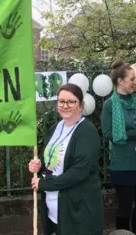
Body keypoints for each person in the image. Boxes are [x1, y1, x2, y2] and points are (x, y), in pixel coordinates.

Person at [28, 83, 104, 235]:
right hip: (54, 208)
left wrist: (45, 184)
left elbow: (79, 172)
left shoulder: (87, 132)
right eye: (61, 101)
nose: (65, 105)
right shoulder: (55, 128)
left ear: (81, 105)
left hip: (78, 209)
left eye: (71, 101)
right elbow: (50, 159)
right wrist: (39, 165)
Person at [101, 60, 136, 235]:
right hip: (123, 164)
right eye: (132, 79)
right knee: (124, 207)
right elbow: (108, 133)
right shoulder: (110, 104)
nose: (135, 82)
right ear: (120, 81)